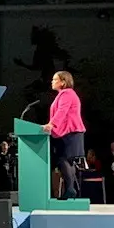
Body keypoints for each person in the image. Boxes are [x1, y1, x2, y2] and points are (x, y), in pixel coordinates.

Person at [42, 71, 86, 199]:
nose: (52, 82)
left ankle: (70, 189)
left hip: (70, 131)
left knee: (64, 159)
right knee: (67, 160)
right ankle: (70, 189)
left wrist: (52, 124)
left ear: (63, 82)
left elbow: (62, 111)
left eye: (55, 79)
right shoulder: (64, 94)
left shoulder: (67, 94)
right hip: (70, 131)